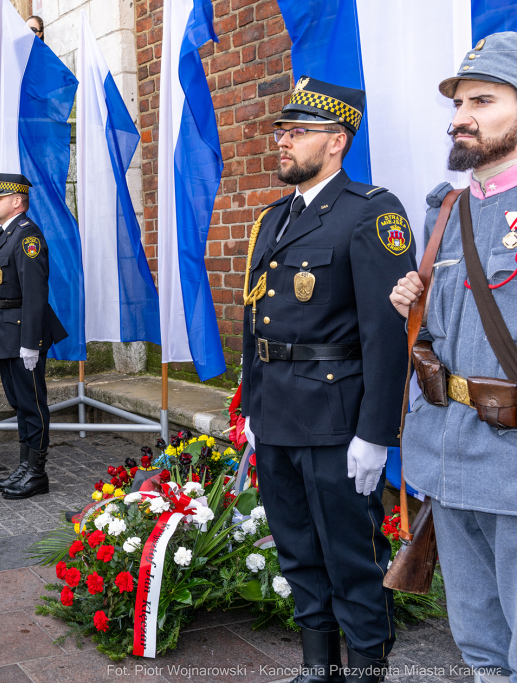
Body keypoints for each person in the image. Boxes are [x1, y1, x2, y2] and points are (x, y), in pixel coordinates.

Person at [239, 77, 416, 683]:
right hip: (277, 414)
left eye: (298, 131)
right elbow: (255, 320)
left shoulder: (371, 213)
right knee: (297, 550)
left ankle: (366, 669)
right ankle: (319, 667)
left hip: (336, 420)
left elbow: (386, 334)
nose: (283, 141)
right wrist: (251, 407)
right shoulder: (274, 217)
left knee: (352, 557)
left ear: (336, 141)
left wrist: (376, 432)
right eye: (282, 131)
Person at [390, 32, 517, 683]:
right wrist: (413, 307)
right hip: (449, 452)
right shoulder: (447, 211)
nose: (461, 115)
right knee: (478, 640)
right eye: (459, 102)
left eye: (483, 100)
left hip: (512, 462)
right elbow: (448, 330)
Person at [0, 173, 68, 499]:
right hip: (7, 331)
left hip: (22, 333)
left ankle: (36, 473)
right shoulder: (7, 234)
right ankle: (25, 467)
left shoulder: (27, 236)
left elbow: (35, 294)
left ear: (17, 201)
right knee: (19, 402)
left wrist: (30, 343)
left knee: (33, 403)